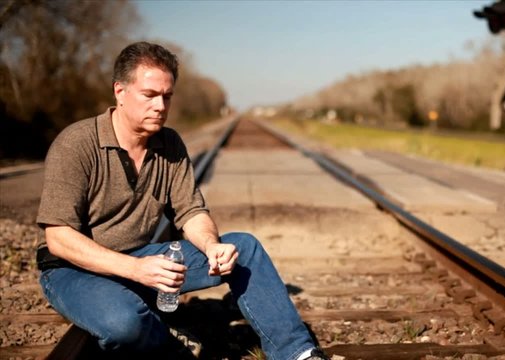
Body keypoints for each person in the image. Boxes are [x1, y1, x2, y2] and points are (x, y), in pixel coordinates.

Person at [36, 41, 328, 360]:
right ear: (119, 91)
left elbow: (191, 212)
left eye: (167, 96)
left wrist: (211, 245)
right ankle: (170, 342)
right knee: (124, 323)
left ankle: (296, 352)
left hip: (142, 257)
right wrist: (135, 269)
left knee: (244, 247)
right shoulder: (77, 144)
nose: (160, 105)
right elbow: (59, 239)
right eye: (149, 95)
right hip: (74, 269)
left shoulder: (170, 144)